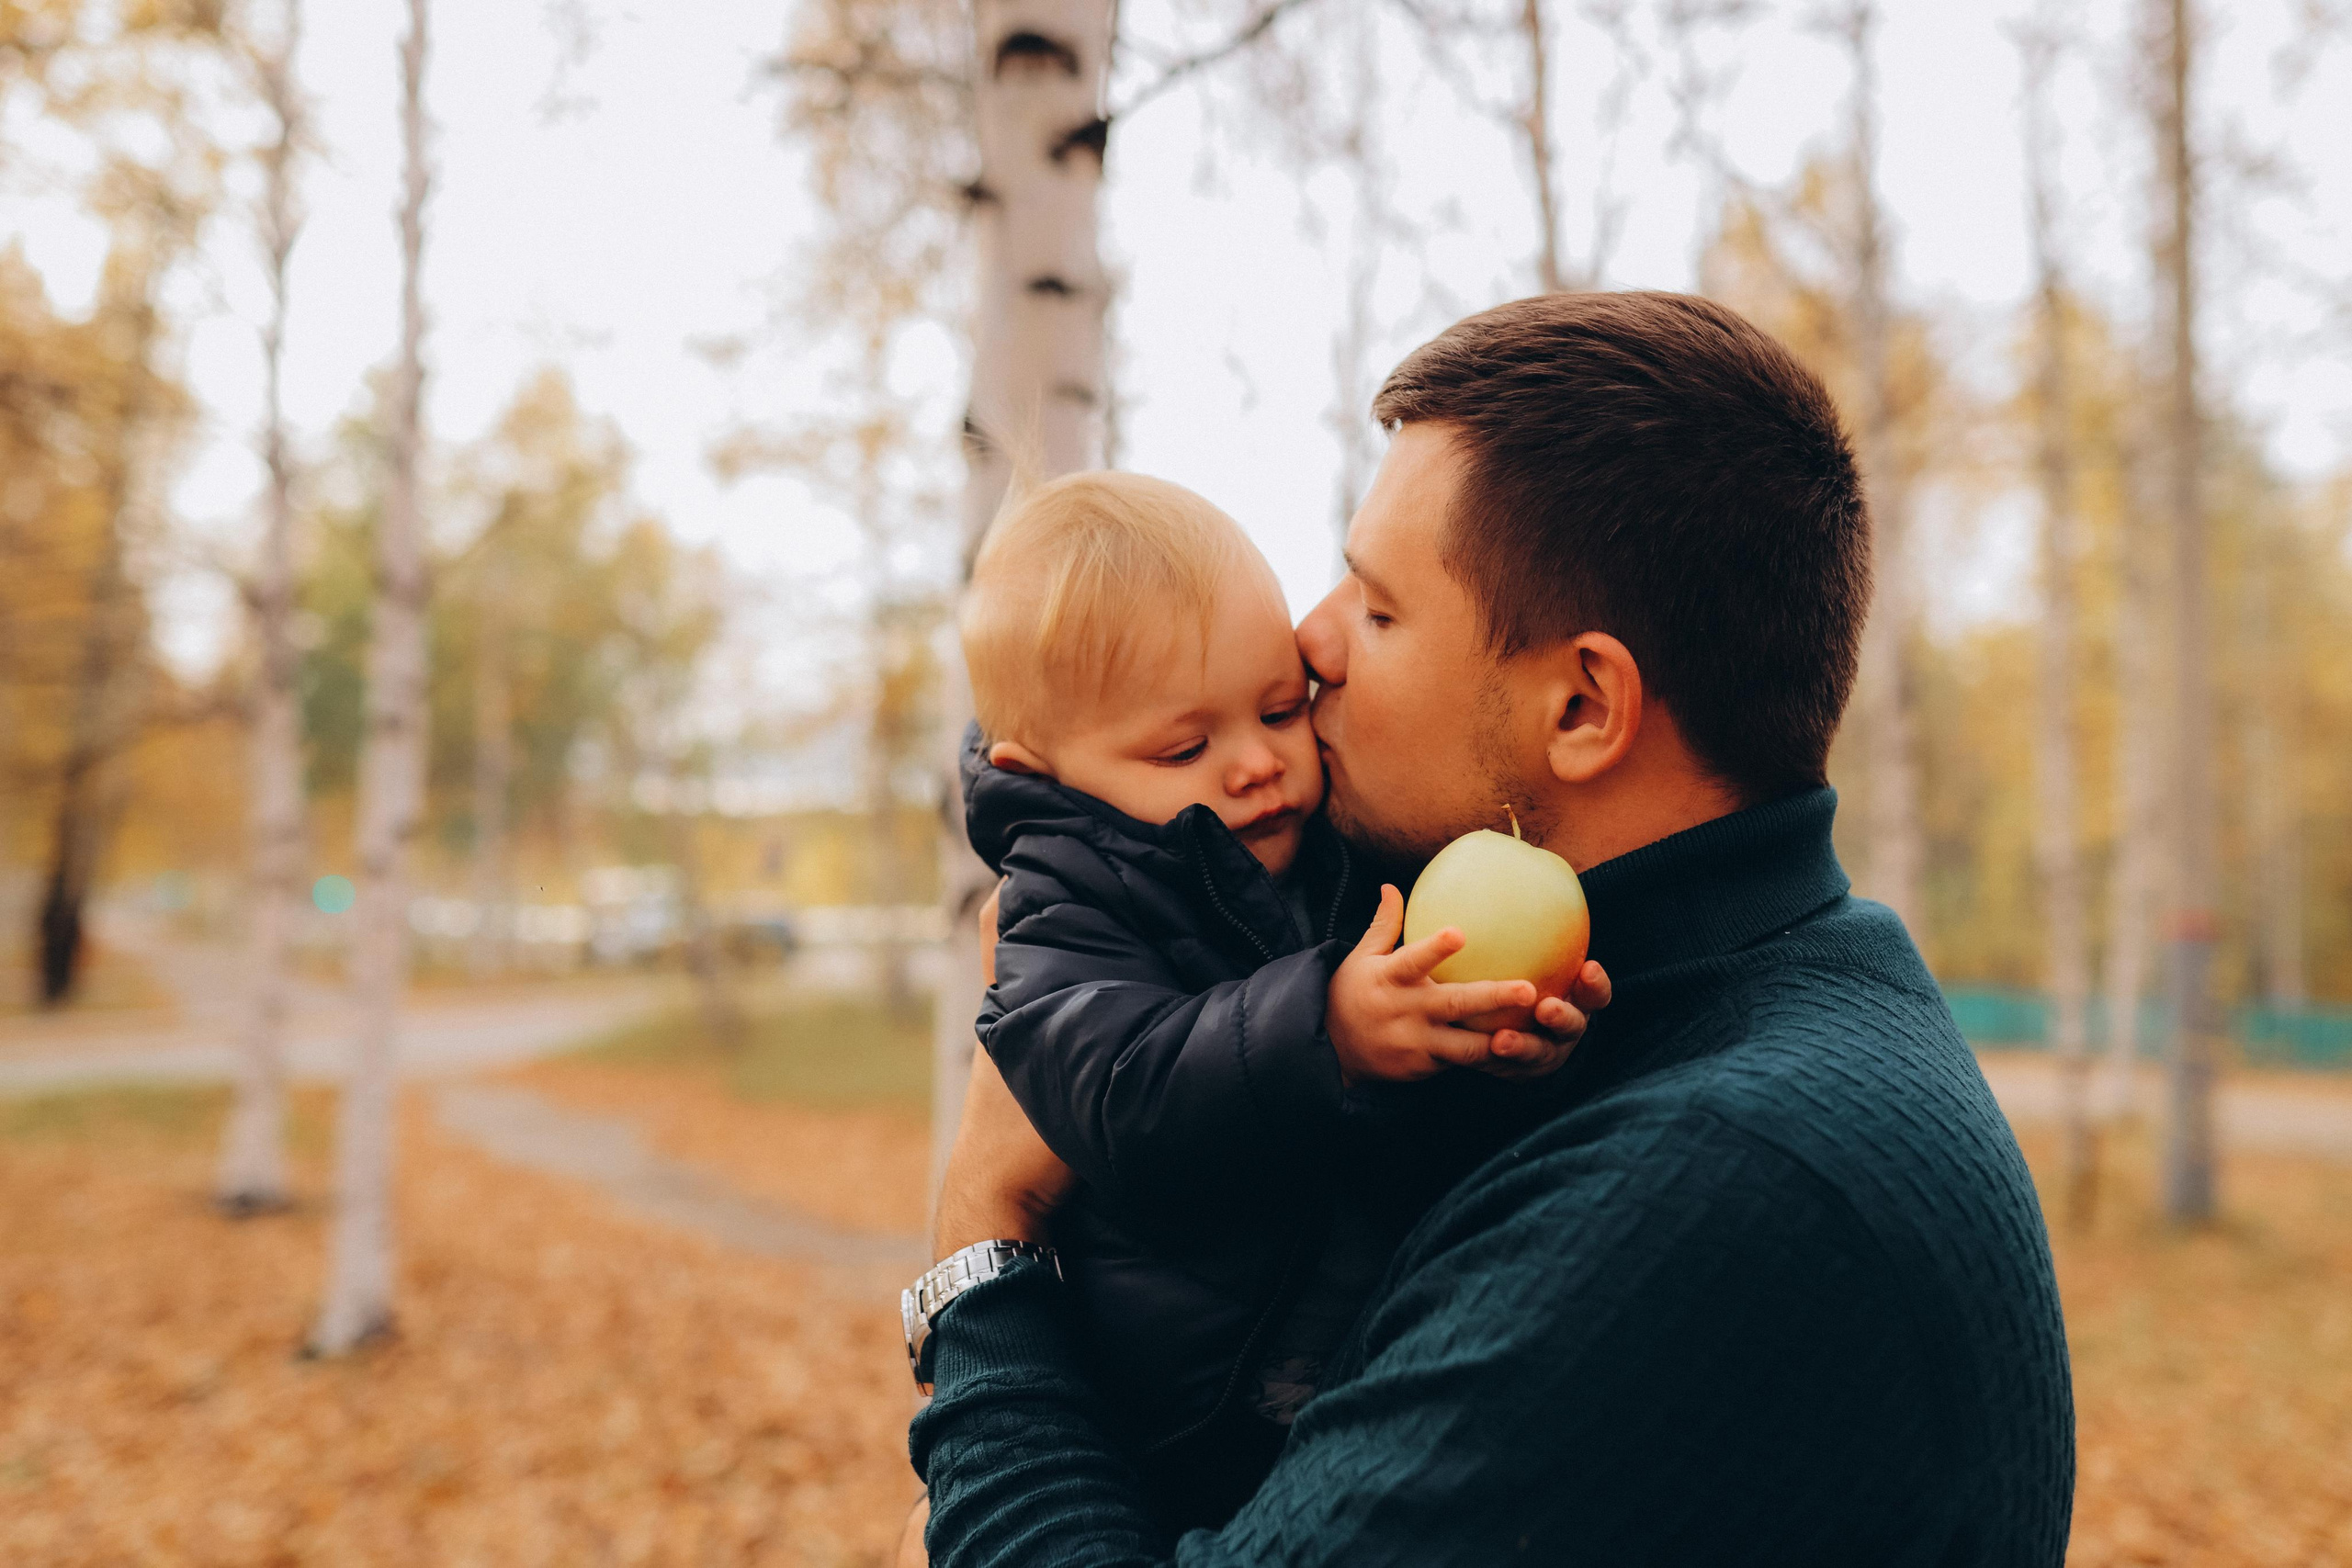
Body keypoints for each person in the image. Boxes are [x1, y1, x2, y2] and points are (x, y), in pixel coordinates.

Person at [906, 291, 2075, 1565]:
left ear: (1581, 705)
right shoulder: (1726, 1002)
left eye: (1381, 604)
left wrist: (985, 1238)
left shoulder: (1704, 1183)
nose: (1310, 641)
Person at [938, 470, 1610, 1530]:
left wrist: (1497, 1047)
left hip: (1331, 1382)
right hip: (1170, 1420)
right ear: (1046, 771)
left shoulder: (1326, 851)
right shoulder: (1059, 908)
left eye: (1277, 708)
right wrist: (1328, 1030)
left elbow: (1397, 1124)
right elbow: (1119, 1093)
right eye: (1184, 747)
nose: (1256, 764)